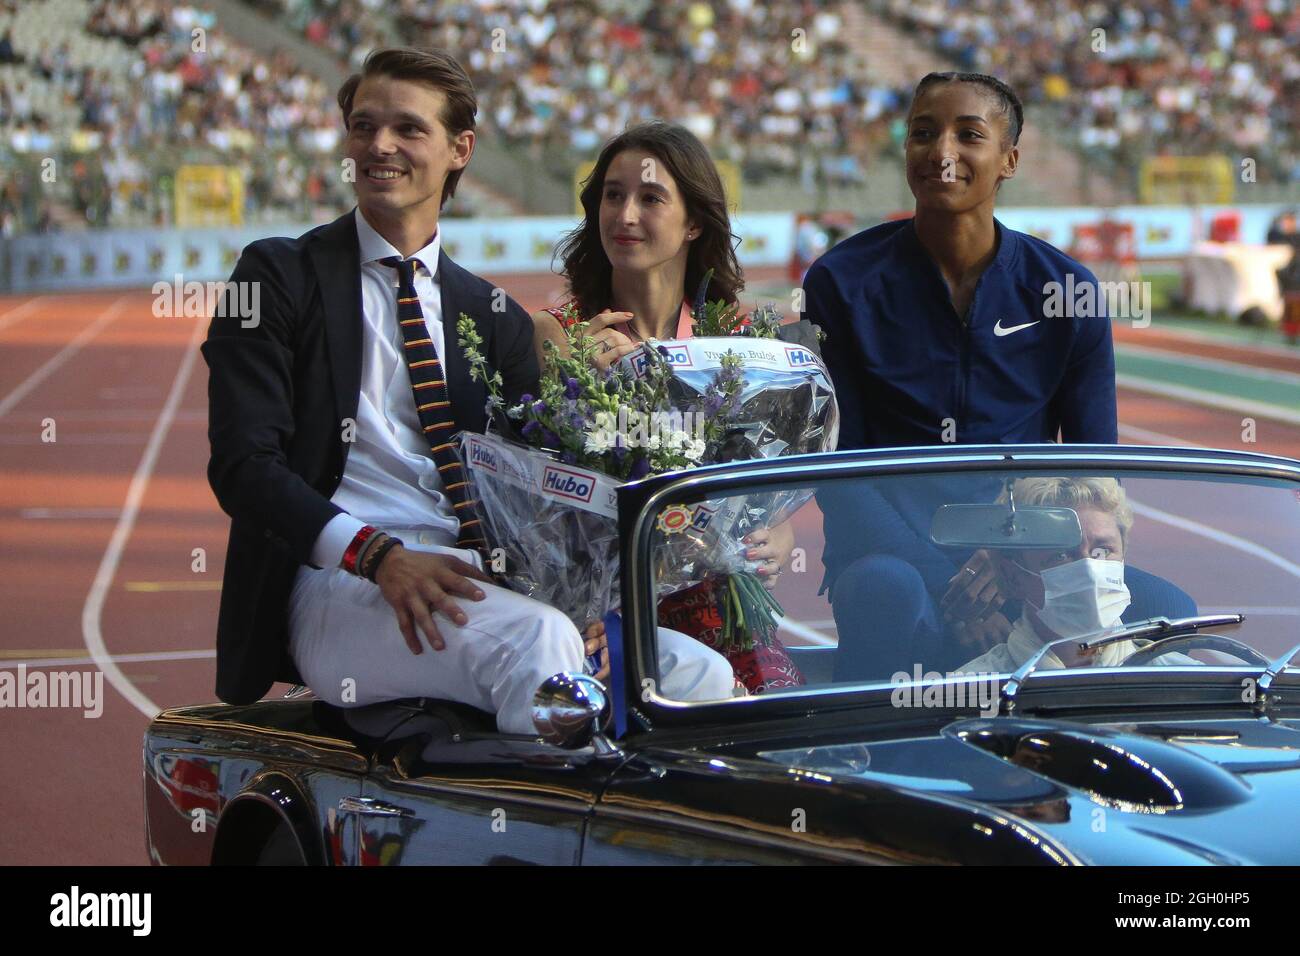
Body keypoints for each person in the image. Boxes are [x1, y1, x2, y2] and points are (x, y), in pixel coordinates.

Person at [202, 49, 732, 736]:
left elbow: (534, 493)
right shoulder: (273, 275)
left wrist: (586, 400)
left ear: (460, 149)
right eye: (363, 127)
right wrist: (375, 556)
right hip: (342, 583)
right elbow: (243, 466)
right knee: (539, 647)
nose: (379, 146)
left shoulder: (492, 316)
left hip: (482, 582)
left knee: (700, 674)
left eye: (406, 129)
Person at [802, 72, 1119, 680]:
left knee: (1169, 607)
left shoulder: (1068, 291)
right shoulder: (841, 282)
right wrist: (943, 577)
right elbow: (838, 470)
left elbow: (1089, 474)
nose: (941, 152)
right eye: (923, 133)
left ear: (1009, 160)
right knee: (885, 591)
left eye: (968, 135)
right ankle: (874, 764)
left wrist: (1014, 564)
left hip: (1032, 558)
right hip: (886, 557)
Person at [531, 121, 802, 693]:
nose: (625, 215)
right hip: (599, 606)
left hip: (715, 598)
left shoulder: (737, 344)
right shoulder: (558, 336)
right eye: (612, 195)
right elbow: (542, 502)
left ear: (694, 222)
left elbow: (761, 489)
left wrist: (781, 533)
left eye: (650, 198)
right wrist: (581, 381)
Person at [957, 477, 1197, 672]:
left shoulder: (1190, 682)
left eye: (1102, 551)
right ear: (1013, 577)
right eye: (1061, 555)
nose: (1090, 571)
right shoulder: (970, 696)